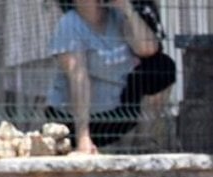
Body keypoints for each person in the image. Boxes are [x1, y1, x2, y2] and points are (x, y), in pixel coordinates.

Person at [45, 0, 176, 154]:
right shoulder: (69, 25)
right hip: (78, 121)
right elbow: (78, 80)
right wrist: (83, 136)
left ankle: (144, 140)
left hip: (117, 114)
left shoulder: (118, 16)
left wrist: (128, 9)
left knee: (162, 67)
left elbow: (148, 49)